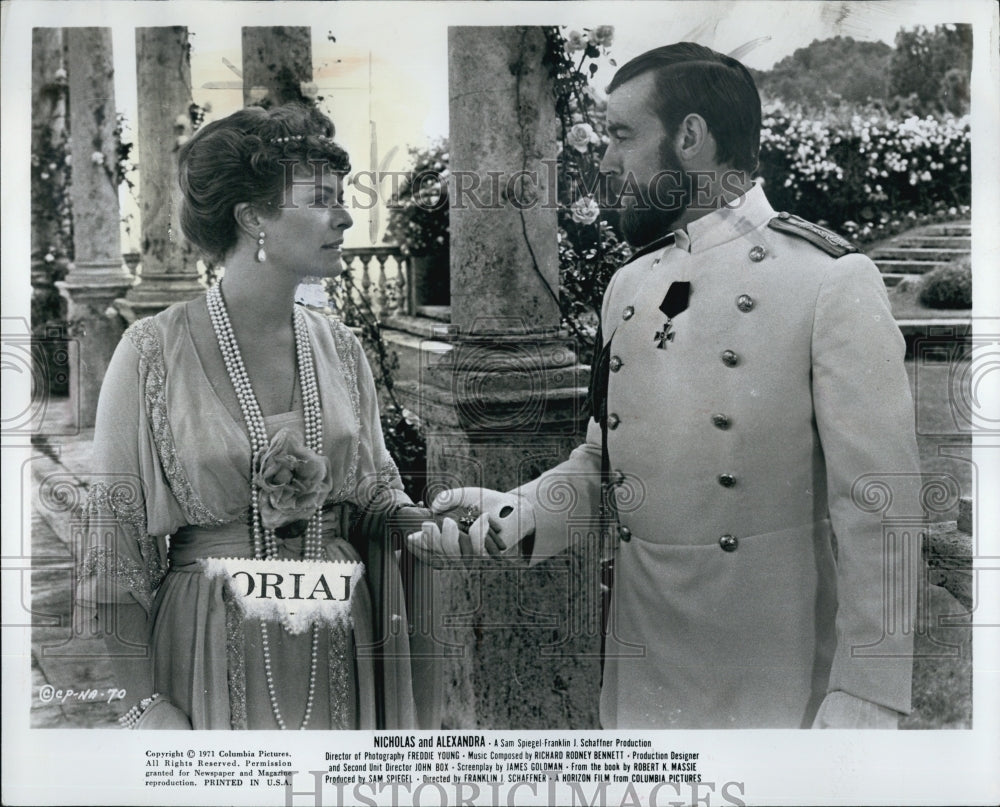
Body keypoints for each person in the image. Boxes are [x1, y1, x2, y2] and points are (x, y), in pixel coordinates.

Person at [410, 43, 921, 729]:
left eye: (623, 135)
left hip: (771, 676)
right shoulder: (632, 283)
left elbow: (879, 502)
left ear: (690, 138)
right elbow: (604, 464)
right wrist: (515, 516)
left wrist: (869, 689)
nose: (606, 160)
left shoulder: (829, 279)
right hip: (641, 668)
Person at [76, 103, 444, 730]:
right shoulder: (149, 353)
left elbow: (377, 497)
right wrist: (144, 704)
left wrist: (436, 521)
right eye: (322, 200)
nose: (345, 215)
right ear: (253, 219)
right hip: (208, 641)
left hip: (336, 640)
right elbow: (114, 546)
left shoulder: (342, 347)